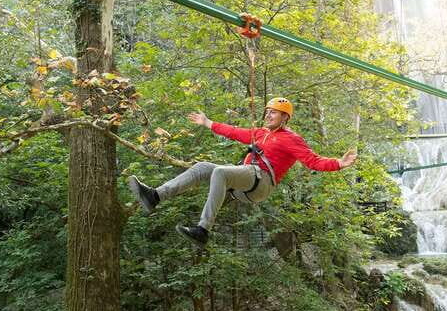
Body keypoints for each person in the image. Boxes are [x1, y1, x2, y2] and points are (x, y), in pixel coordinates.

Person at [127, 97, 357, 246]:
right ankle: (155, 196)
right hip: (247, 180)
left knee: (220, 173)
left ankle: (203, 229)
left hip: (262, 182)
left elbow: (312, 161)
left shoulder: (291, 139)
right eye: (267, 112)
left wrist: (339, 163)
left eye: (274, 113)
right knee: (203, 167)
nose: (268, 115)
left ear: (285, 117)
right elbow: (234, 132)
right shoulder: (259, 132)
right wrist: (208, 123)